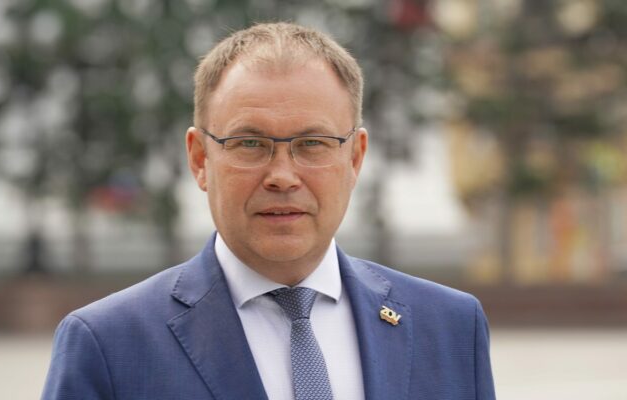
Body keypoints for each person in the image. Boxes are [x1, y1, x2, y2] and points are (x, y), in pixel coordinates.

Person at [41, 22, 495, 400]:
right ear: (200, 159)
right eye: (250, 143)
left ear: (355, 158)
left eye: (312, 143)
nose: (282, 176)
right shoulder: (109, 344)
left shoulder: (450, 328)